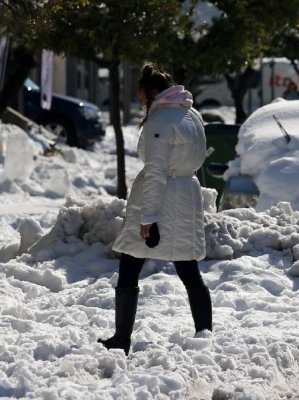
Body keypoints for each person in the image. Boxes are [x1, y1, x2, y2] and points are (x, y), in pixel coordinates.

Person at [98, 63, 211, 356]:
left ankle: (122, 338)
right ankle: (205, 334)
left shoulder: (159, 122)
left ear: (149, 93)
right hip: (186, 195)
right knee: (189, 269)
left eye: (140, 95)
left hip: (161, 199)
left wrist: (149, 217)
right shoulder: (191, 115)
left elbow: (156, 172)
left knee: (130, 264)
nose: (139, 100)